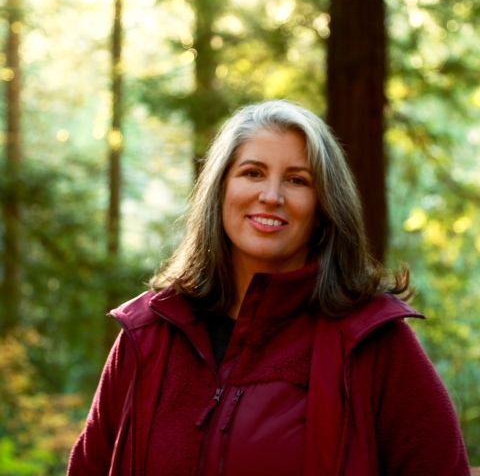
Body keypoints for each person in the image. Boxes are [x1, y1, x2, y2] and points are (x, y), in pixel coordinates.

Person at [68, 100, 470, 476]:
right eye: (252, 173)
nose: (271, 196)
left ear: (323, 210)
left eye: (297, 180)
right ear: (220, 190)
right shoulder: (148, 334)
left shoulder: (372, 343)